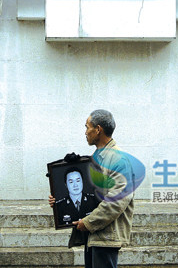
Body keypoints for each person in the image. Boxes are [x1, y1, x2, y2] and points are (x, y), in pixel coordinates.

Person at [49, 109, 135, 268]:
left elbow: (116, 201)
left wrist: (88, 222)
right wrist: (59, 201)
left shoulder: (118, 159)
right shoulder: (97, 157)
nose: (85, 132)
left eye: (87, 127)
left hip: (106, 236)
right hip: (94, 234)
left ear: (98, 129)